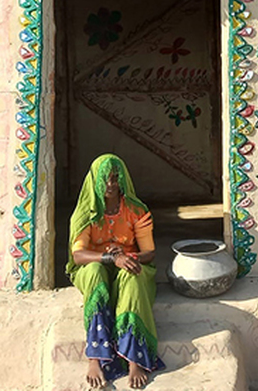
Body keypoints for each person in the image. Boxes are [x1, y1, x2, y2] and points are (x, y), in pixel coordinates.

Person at [67, 154, 164, 389]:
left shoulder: (136, 210)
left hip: (127, 264)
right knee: (94, 272)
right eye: (105, 180)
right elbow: (78, 255)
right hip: (95, 265)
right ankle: (95, 358)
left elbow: (148, 253)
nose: (110, 185)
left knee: (132, 278)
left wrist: (126, 257)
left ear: (123, 180)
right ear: (94, 181)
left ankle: (134, 360)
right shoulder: (85, 213)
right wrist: (111, 257)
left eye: (115, 179)